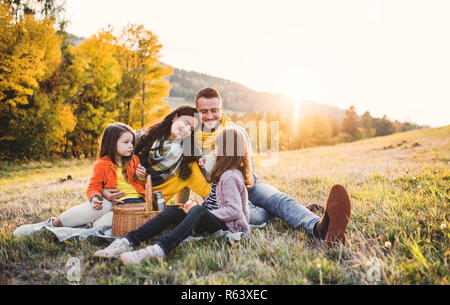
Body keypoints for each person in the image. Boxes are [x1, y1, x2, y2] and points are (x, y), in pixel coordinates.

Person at [193, 87, 351, 247]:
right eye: (204, 111)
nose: (209, 115)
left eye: (214, 110)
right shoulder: (193, 142)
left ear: (221, 109)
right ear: (197, 112)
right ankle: (293, 211)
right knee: (259, 217)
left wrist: (218, 168)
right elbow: (194, 178)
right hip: (224, 196)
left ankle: (320, 228)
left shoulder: (237, 131)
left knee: (278, 199)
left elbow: (248, 173)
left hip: (250, 185)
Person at [93, 127, 252, 264]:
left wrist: (201, 213)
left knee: (196, 212)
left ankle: (158, 250)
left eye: (217, 148)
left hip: (228, 227)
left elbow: (234, 211)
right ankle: (127, 241)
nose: (214, 152)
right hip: (213, 219)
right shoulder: (223, 174)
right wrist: (196, 209)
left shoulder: (230, 177)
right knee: (172, 212)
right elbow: (213, 202)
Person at [14, 122, 147, 236]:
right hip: (110, 203)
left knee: (102, 227)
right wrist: (96, 196)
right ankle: (52, 224)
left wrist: (142, 177)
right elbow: (94, 186)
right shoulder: (101, 165)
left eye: (132, 142)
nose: (131, 146)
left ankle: (74, 229)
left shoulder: (134, 160)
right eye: (126, 142)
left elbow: (141, 185)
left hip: (131, 206)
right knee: (98, 206)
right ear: (112, 143)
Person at [101, 106, 212, 205]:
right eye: (186, 123)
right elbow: (108, 163)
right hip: (123, 193)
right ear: (175, 117)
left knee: (187, 169)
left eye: (191, 129)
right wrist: (103, 190)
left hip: (151, 202)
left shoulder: (188, 153)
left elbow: (206, 183)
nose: (187, 130)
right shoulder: (142, 138)